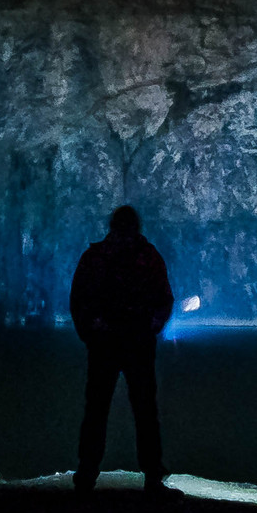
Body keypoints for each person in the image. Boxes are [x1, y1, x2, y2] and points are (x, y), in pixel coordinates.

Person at [68, 204, 176, 494]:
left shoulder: (100, 257)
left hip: (121, 342)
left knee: (108, 408)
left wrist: (93, 329)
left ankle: (89, 473)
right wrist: (95, 329)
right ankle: (146, 475)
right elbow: (80, 299)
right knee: (133, 409)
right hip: (122, 342)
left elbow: (79, 299)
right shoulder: (132, 257)